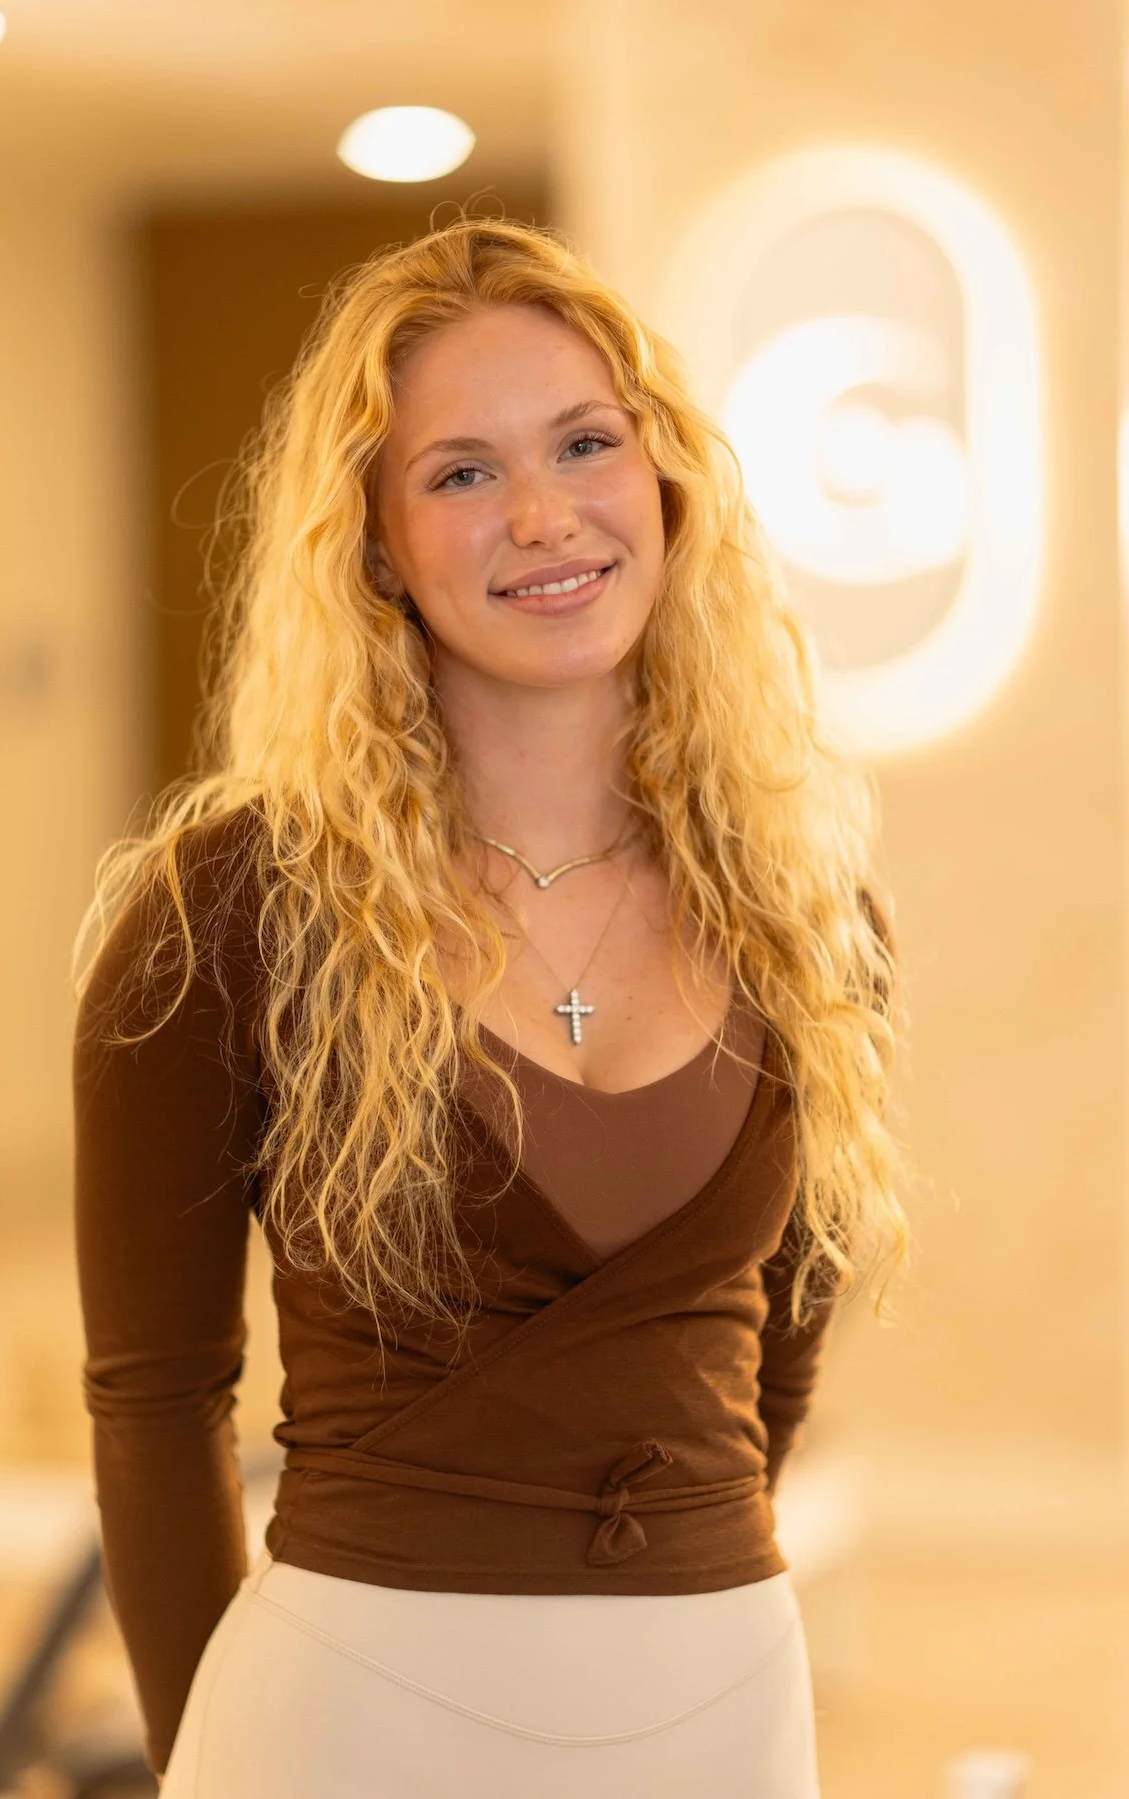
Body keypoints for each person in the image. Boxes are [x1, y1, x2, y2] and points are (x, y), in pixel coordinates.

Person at [72, 212, 910, 1798]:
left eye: (586, 442)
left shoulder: (814, 918)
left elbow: (771, 1373)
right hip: (348, 1719)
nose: (545, 514)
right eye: (461, 471)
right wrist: (203, 1759)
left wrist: (667, 1620)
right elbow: (158, 1398)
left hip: (723, 1714)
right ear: (376, 542)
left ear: (665, 483)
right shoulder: (223, 916)